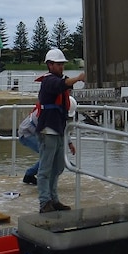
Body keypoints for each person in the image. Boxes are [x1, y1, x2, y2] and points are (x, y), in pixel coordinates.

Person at [36, 48, 85, 213]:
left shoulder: (58, 80)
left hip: (58, 130)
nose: (61, 67)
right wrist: (78, 78)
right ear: (50, 65)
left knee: (57, 168)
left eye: (62, 64)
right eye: (58, 64)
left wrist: (68, 140)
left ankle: (54, 199)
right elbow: (60, 85)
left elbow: (63, 85)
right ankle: (45, 202)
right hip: (47, 129)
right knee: (45, 169)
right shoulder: (48, 81)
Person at [17, 103, 41, 185]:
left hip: (29, 131)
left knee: (49, 154)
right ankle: (29, 175)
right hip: (26, 133)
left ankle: (30, 175)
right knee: (47, 154)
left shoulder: (48, 108)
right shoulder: (45, 112)